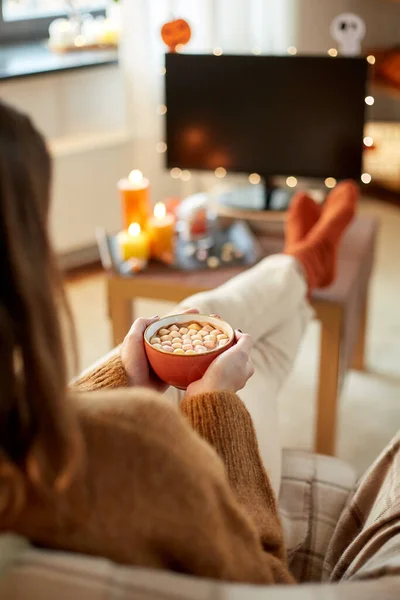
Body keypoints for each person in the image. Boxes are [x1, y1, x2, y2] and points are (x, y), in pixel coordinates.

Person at [0, 100, 357, 585]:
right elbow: (263, 578)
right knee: (250, 357)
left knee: (203, 320)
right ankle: (306, 261)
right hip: (226, 503)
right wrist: (214, 405)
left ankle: (303, 263)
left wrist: (122, 380)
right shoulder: (142, 439)